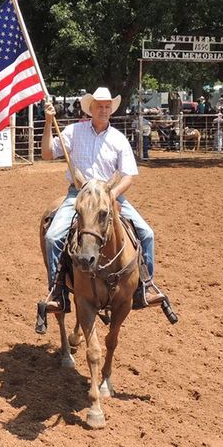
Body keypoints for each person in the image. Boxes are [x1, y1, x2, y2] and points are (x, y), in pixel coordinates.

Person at [41, 86, 164, 312]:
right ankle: (57, 291)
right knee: (52, 236)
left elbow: (128, 176)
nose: (104, 110)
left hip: (110, 196)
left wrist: (112, 195)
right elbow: (47, 153)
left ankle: (145, 286)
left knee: (147, 233)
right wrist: (49, 122)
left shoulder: (118, 139)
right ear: (91, 108)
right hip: (80, 196)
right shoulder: (73, 132)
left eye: (107, 106)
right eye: (100, 106)